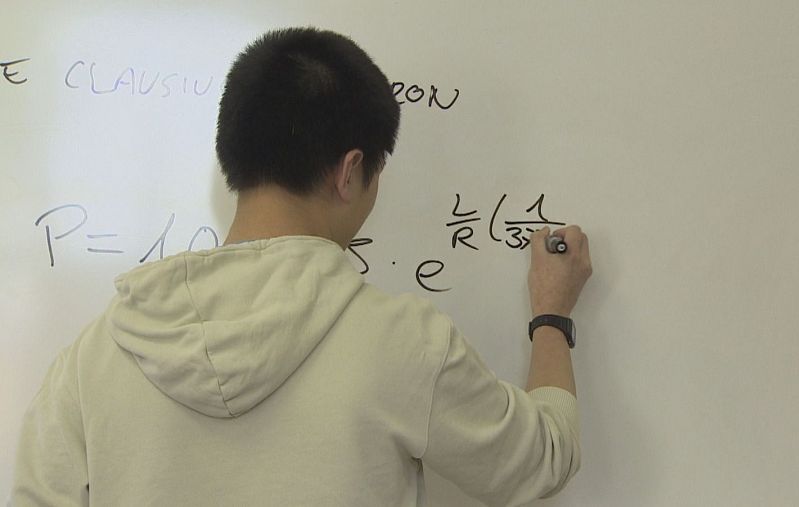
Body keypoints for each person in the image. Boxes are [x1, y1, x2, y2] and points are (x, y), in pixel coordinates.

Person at [11, 27, 592, 506]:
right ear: (350, 171)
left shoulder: (93, 359)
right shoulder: (406, 344)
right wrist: (552, 316)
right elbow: (540, 459)